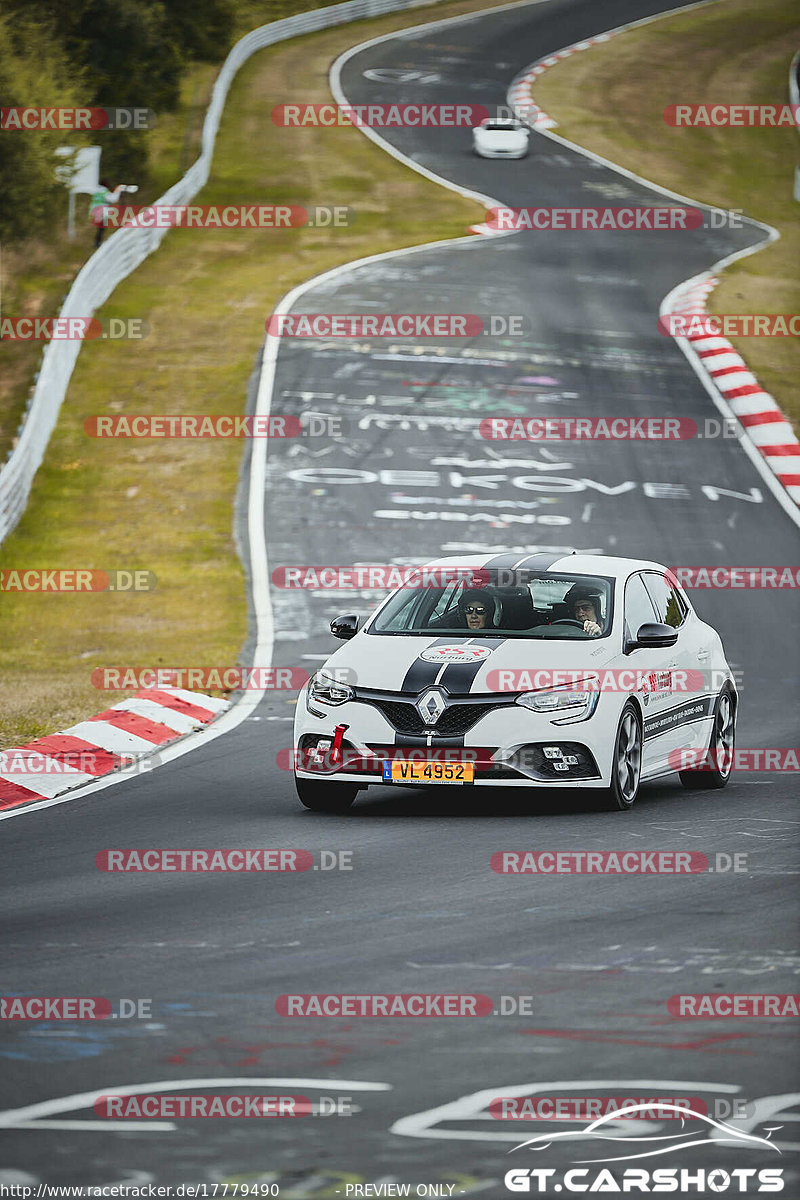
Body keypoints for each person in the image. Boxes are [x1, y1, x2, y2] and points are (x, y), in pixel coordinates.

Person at [88, 178, 127, 249]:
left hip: (93, 210)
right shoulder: (104, 192)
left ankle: (97, 242)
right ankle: (99, 242)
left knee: (101, 227)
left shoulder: (95, 191)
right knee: (104, 225)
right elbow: (112, 199)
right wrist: (118, 191)